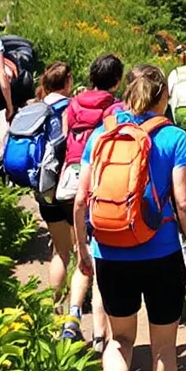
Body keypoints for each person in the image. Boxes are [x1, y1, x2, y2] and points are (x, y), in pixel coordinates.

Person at [77, 64, 186, 371]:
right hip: (161, 252)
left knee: (120, 339)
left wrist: (83, 250)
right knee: (164, 347)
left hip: (111, 252)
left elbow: (81, 200)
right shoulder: (172, 136)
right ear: (163, 96)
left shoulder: (102, 134)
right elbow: (183, 201)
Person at [59, 54, 124, 343]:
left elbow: (65, 139)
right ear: (117, 81)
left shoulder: (73, 103)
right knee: (100, 260)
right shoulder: (114, 109)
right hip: (98, 183)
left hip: (71, 180)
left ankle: (72, 317)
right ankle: (100, 336)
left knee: (81, 254)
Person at [9, 60, 77, 294]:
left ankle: (56, 303)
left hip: (42, 187)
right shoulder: (71, 108)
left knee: (60, 250)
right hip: (68, 186)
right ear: (67, 82)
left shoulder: (33, 108)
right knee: (79, 247)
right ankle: (78, 299)